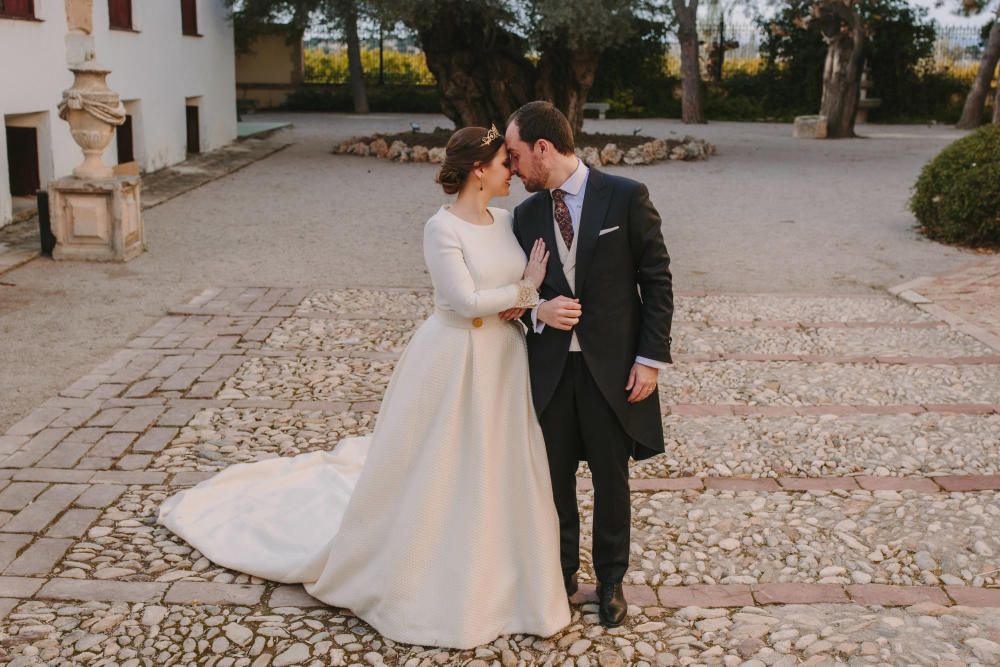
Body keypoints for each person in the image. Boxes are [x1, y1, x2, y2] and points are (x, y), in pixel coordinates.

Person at [157, 125, 571, 649]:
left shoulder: (509, 220)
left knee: (499, 462)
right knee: (443, 462)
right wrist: (527, 290)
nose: (513, 170)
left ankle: (510, 579)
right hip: (453, 358)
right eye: (504, 163)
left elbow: (500, 299)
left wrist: (520, 300)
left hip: (504, 360)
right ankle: (429, 581)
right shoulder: (441, 229)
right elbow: (464, 300)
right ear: (478, 170)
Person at [505, 101, 674, 627]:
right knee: (552, 481)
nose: (510, 169)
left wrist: (650, 360)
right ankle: (558, 578)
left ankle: (611, 581)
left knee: (610, 480)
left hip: (613, 369)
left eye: (514, 156)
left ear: (543, 148)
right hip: (551, 371)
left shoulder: (625, 196)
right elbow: (518, 295)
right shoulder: (526, 215)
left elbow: (658, 279)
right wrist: (540, 312)